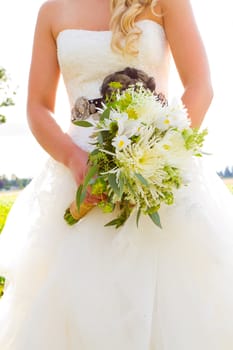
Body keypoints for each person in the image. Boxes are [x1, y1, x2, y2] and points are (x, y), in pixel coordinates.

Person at [0, 0, 233, 348]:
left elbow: (200, 86)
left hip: (156, 173)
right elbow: (37, 106)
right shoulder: (52, 10)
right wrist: (75, 159)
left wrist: (155, 156)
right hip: (81, 180)